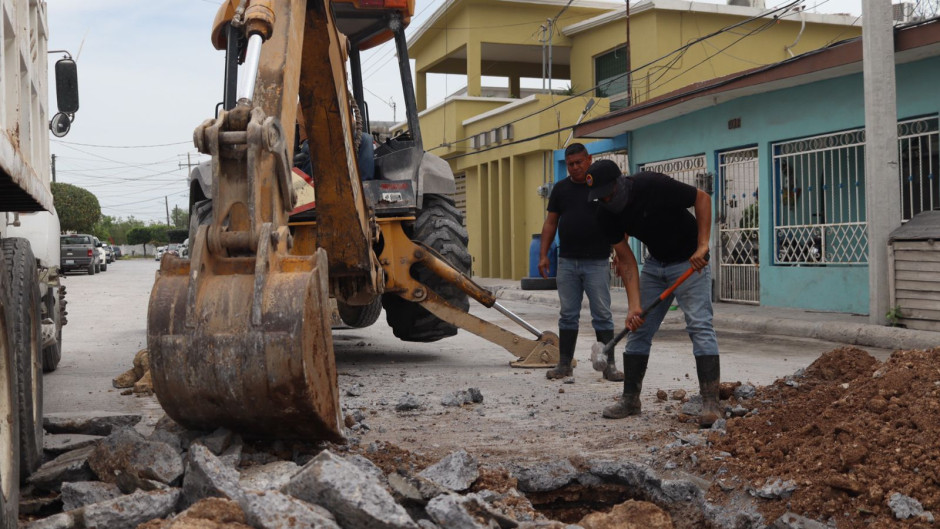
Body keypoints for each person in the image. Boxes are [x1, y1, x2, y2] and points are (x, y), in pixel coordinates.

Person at [585, 159, 720, 427]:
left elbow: (702, 199)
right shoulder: (605, 213)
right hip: (655, 265)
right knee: (638, 329)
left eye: (608, 193)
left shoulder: (652, 185)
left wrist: (703, 246)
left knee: (699, 325)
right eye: (600, 197)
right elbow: (625, 259)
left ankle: (711, 402)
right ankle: (631, 399)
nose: (607, 200)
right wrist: (634, 306)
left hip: (689, 262)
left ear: (619, 181)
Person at [538, 143, 623, 382]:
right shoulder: (561, 190)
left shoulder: (600, 186)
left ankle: (609, 366)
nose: (575, 168)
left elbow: (619, 219)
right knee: (567, 315)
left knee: (603, 315)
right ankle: (564, 364)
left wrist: (620, 254)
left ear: (589, 160)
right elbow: (550, 223)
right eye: (570, 164)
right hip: (567, 262)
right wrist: (543, 255)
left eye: (579, 162)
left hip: (597, 262)